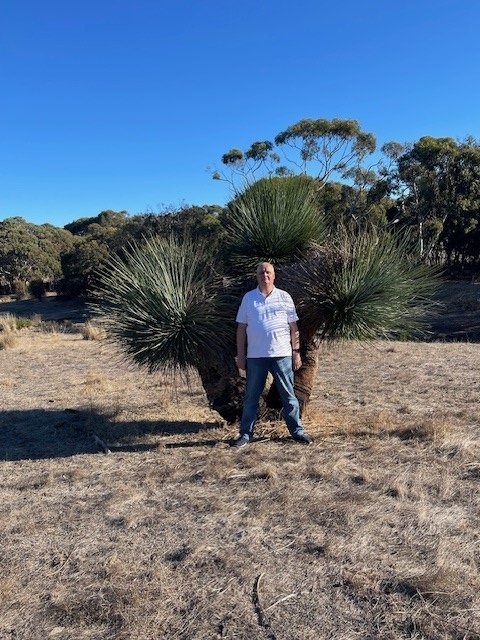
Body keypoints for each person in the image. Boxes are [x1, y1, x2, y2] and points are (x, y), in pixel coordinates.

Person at [232, 262, 313, 448]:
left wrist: (296, 353)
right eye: (261, 272)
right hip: (255, 356)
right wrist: (241, 355)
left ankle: (297, 432)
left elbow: (294, 329)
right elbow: (241, 329)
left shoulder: (284, 297)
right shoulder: (249, 298)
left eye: (268, 272)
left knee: (289, 396)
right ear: (257, 276)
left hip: (282, 355)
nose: (265, 275)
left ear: (274, 275)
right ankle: (245, 434)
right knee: (251, 397)